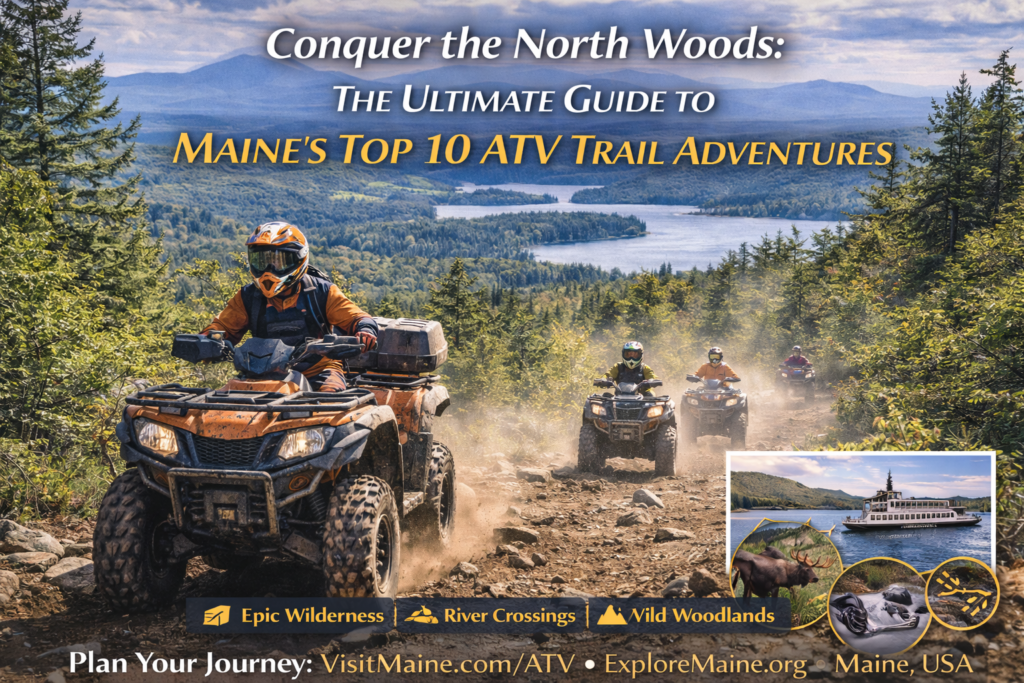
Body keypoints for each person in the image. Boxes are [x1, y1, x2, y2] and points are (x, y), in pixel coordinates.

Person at [200, 221, 378, 391]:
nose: (269, 270)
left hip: (318, 371)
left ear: (299, 259)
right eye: (262, 261)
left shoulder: (321, 291)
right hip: (261, 374)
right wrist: (205, 340)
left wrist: (365, 330)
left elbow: (356, 316)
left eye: (279, 261)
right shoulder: (248, 296)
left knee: (331, 404)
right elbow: (223, 328)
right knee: (217, 408)